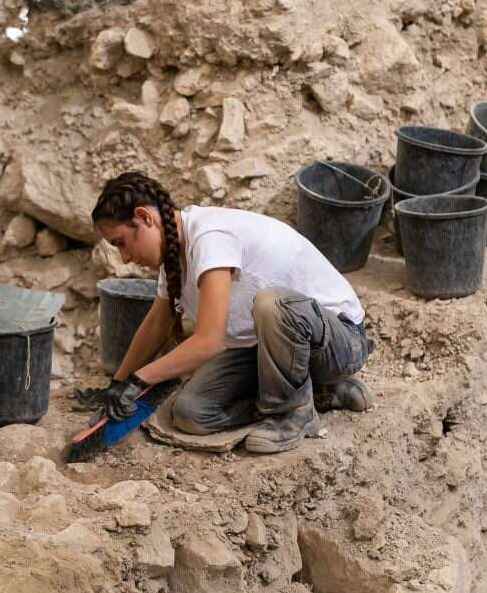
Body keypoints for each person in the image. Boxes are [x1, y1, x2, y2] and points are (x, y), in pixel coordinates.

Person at [76, 170, 372, 454]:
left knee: (272, 304)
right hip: (271, 350)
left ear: (144, 217)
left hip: (337, 342)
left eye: (121, 243)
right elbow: (157, 323)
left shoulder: (209, 236)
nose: (125, 258)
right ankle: (320, 393)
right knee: (190, 413)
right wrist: (117, 385)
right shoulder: (173, 256)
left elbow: (209, 342)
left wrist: (138, 381)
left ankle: (293, 413)